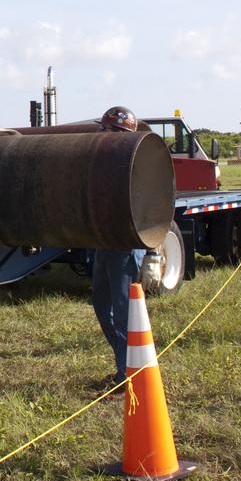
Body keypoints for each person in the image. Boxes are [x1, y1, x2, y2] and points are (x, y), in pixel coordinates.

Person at [90, 105, 148, 388]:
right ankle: (125, 363)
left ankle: (128, 376)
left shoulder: (135, 164)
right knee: (101, 305)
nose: (103, 133)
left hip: (124, 247)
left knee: (124, 313)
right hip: (105, 243)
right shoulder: (104, 161)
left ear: (123, 133)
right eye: (103, 128)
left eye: (108, 129)